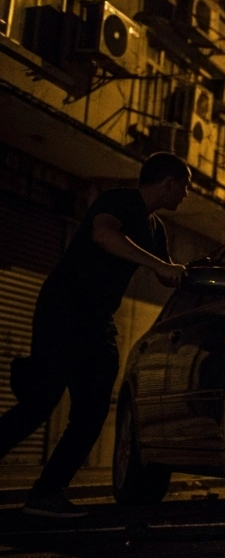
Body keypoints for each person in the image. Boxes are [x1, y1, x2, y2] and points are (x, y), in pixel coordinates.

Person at [0, 153, 189, 518]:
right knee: (40, 402)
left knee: (92, 412)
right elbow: (102, 234)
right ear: (169, 183)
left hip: (98, 322)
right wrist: (156, 263)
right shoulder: (119, 200)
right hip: (64, 310)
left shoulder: (155, 229)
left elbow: (166, 274)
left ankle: (46, 494)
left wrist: (191, 274)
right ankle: (45, 493)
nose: (185, 195)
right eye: (184, 187)